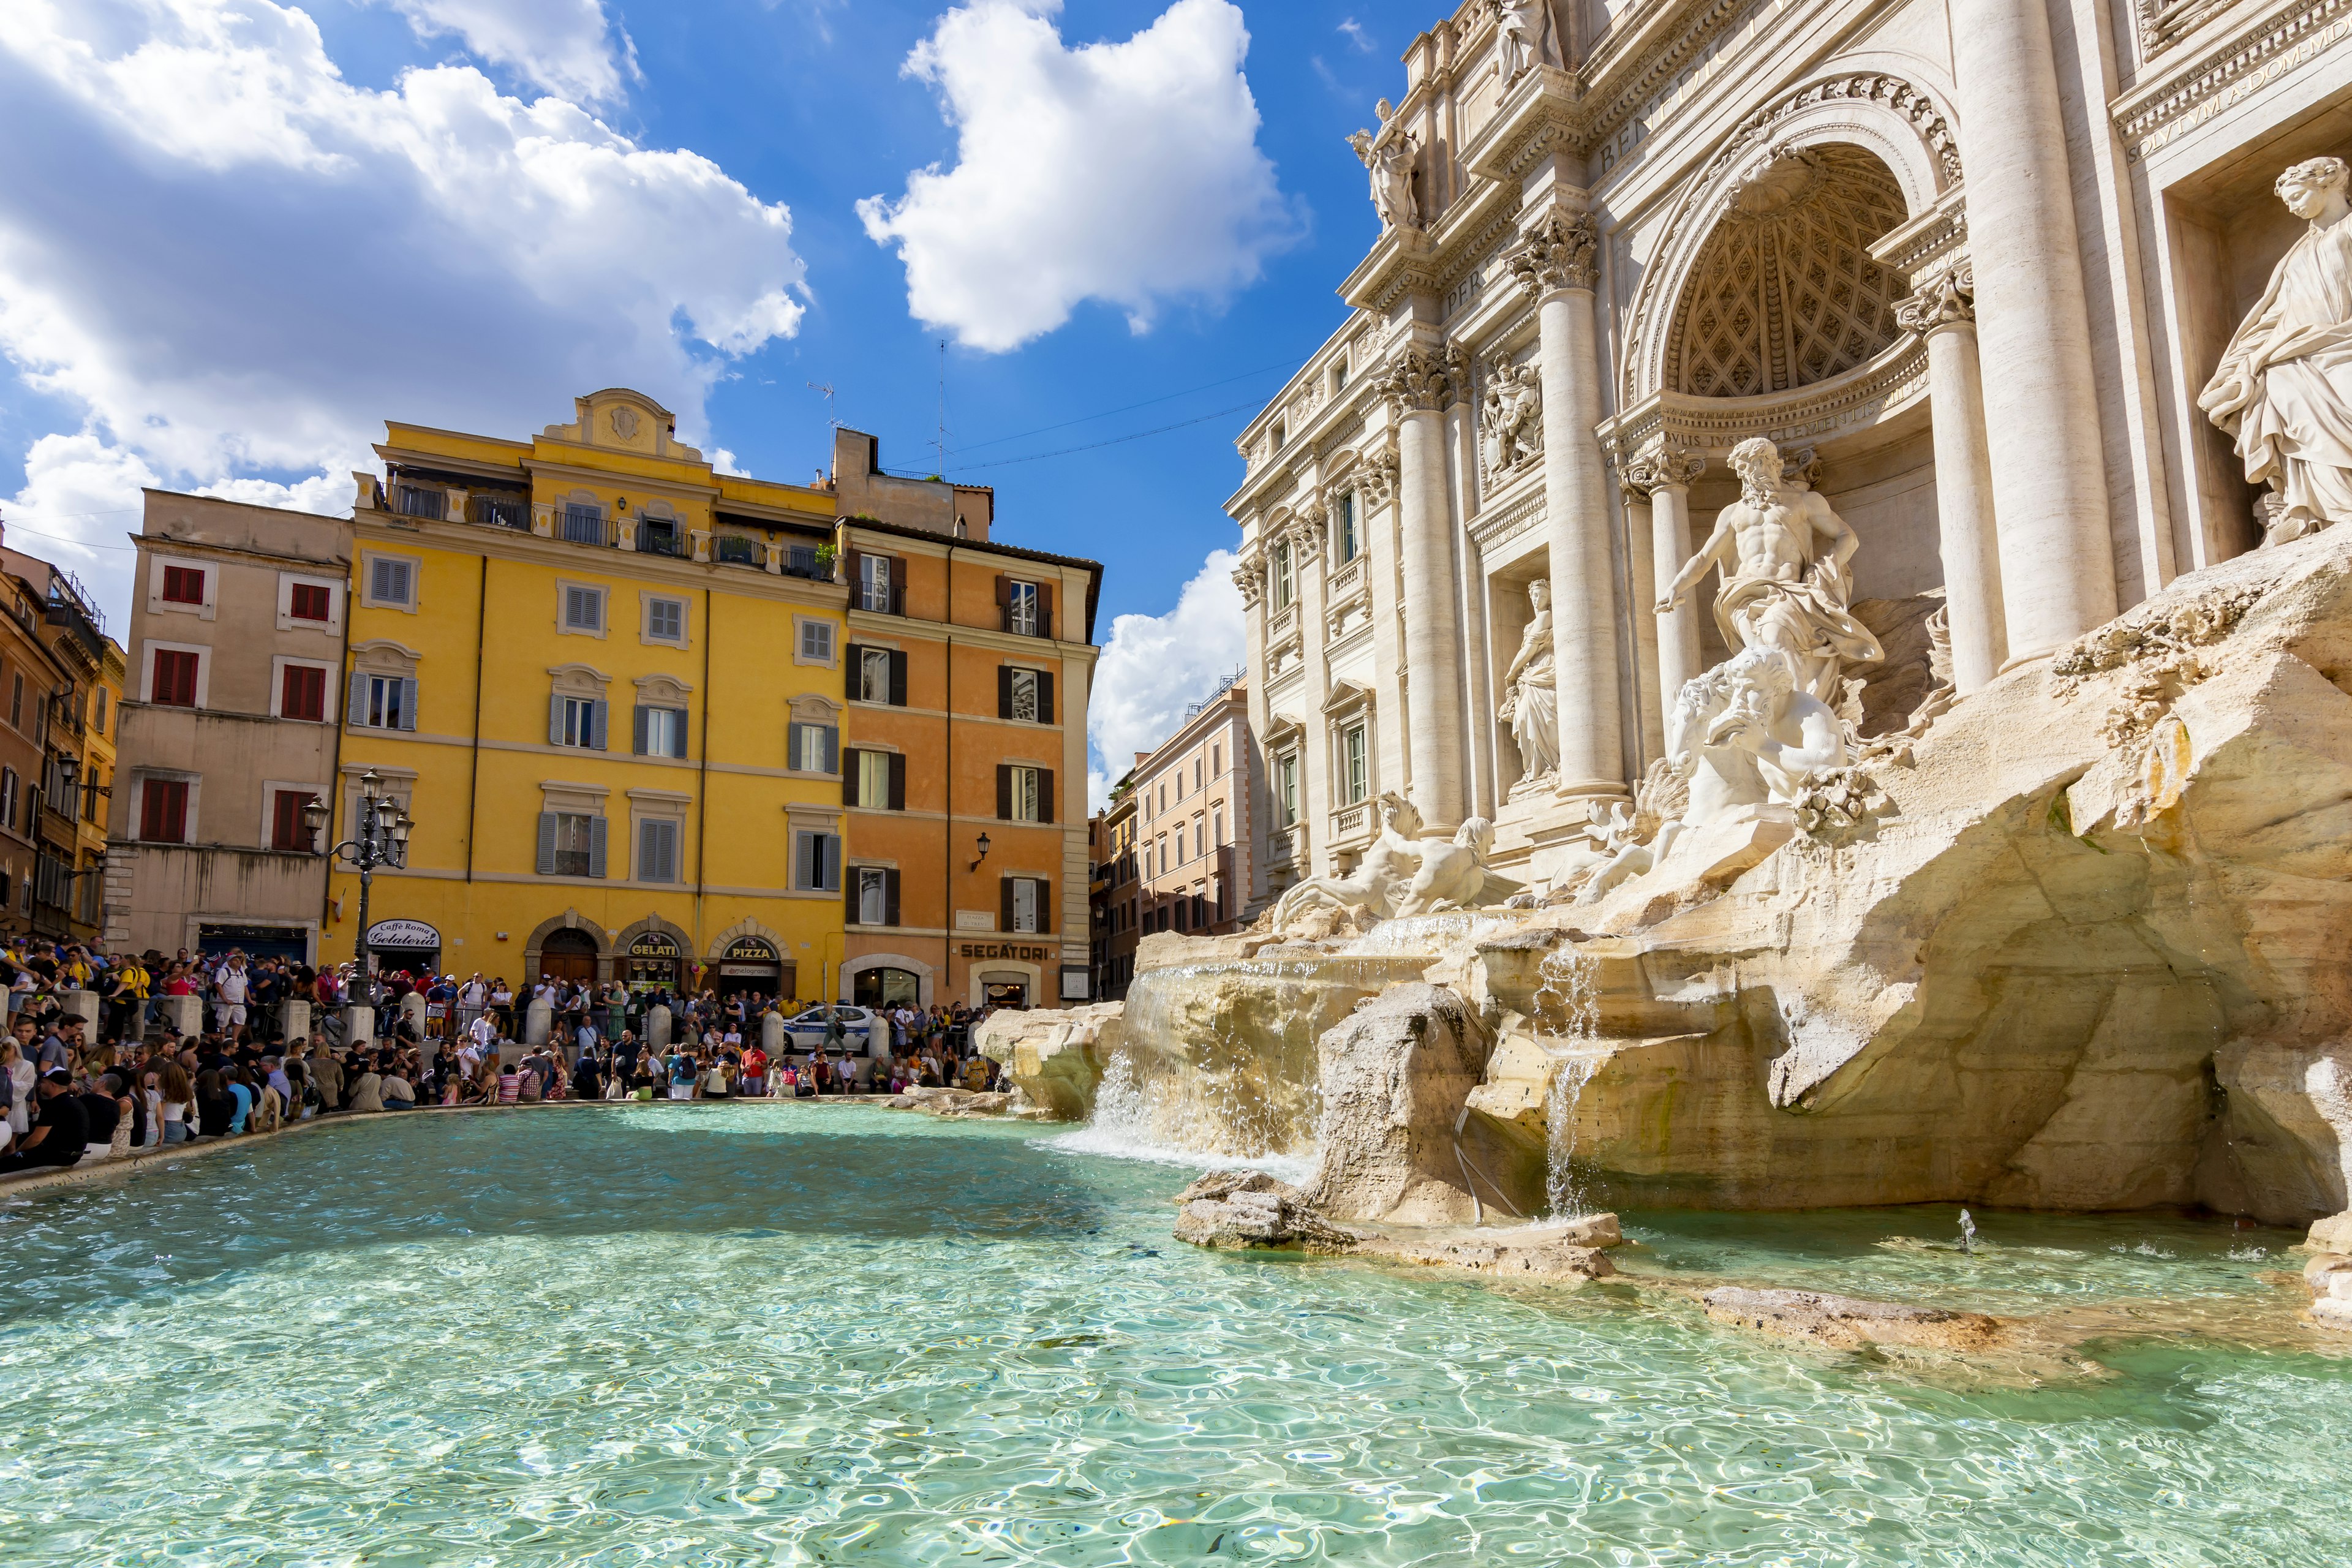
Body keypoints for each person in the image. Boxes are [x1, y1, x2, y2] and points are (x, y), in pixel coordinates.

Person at [0, 1070, 89, 1172]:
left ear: (52, 1085)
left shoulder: (54, 1105)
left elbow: (36, 1139)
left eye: (43, 1082)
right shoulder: (74, 1102)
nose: (39, 1086)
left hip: (59, 1156)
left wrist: (17, 1152)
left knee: (4, 1164)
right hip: (75, 1156)